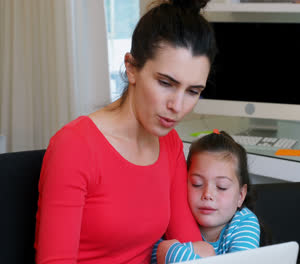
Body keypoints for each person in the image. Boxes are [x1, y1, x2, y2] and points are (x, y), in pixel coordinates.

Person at [34, 0, 217, 263]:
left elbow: (189, 246)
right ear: (131, 68)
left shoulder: (170, 144)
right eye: (166, 83)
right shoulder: (75, 147)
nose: (177, 106)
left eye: (192, 91)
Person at [151, 131, 260, 264]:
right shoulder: (175, 217)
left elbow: (166, 253)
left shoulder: (244, 222)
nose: (207, 194)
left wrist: (174, 252)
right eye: (197, 184)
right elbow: (154, 254)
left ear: (241, 196)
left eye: (221, 186)